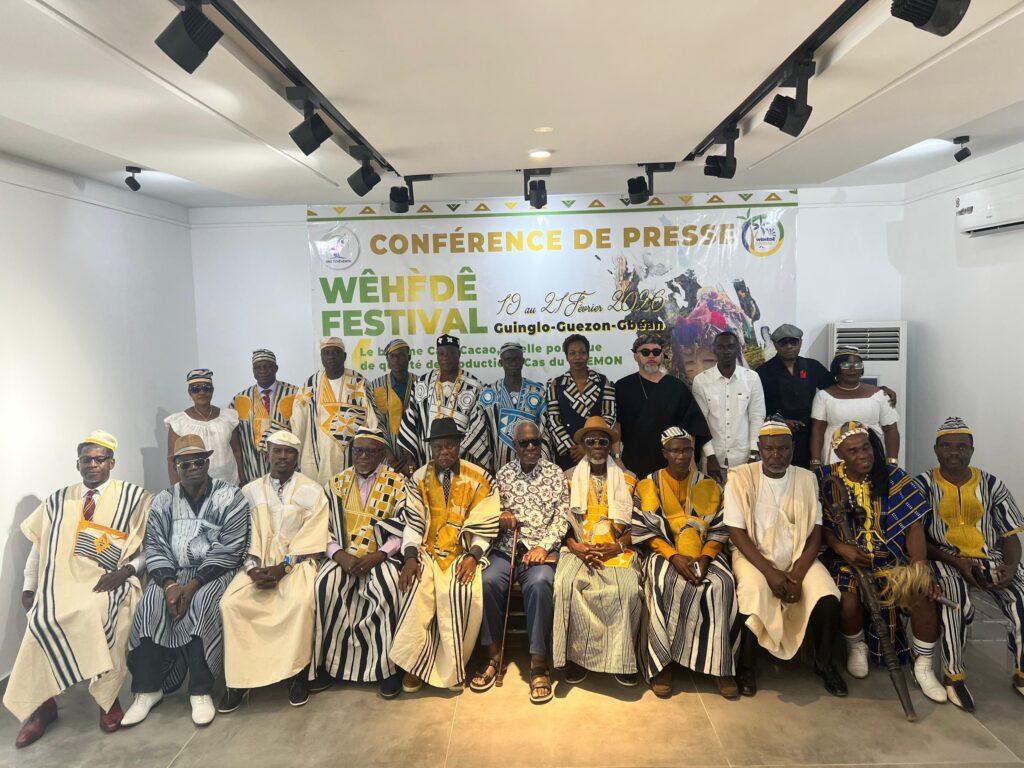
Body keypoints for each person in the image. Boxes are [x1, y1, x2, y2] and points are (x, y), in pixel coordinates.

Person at [5, 431, 152, 747]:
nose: (93, 465)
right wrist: (30, 587)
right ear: (78, 464)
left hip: (108, 582)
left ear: (112, 463)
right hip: (61, 584)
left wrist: (125, 572)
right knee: (39, 621)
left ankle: (107, 699)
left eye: (100, 459)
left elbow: (148, 548)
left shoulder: (134, 498)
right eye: (87, 459)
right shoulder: (57, 501)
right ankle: (43, 706)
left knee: (95, 614)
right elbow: (39, 548)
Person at [122, 435, 250, 727]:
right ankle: (147, 690)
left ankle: (200, 690)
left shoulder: (231, 496)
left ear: (208, 463)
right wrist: (169, 585)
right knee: (150, 605)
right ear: (175, 467)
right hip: (172, 574)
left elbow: (231, 548)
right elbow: (155, 546)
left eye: (199, 462)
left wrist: (192, 586)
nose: (193, 468)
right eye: (185, 464)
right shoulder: (163, 500)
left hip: (214, 572)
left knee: (203, 604)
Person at [816, 421, 945, 702]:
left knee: (922, 595)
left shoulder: (893, 477)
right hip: (847, 562)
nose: (863, 455)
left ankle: (923, 667)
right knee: (847, 600)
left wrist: (919, 567)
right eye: (853, 451)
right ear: (839, 454)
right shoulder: (825, 478)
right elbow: (819, 524)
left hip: (892, 561)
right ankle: (856, 647)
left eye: (866, 447)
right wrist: (840, 547)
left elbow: (913, 527)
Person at [724, 420, 847, 697]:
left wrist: (799, 572)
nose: (776, 455)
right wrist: (769, 572)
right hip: (753, 556)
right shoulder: (740, 477)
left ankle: (824, 664)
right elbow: (736, 531)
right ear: (759, 449)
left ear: (793, 448)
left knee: (827, 596)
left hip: (798, 557)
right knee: (753, 591)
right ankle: (746, 667)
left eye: (782, 448)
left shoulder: (806, 479)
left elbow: (816, 530)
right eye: (769, 449)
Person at [915, 417, 1024, 710]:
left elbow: (1011, 535)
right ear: (936, 450)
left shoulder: (992, 484)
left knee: (1022, 597)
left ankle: (1022, 674)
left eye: (962, 447)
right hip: (945, 559)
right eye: (947, 446)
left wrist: (1012, 567)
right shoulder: (922, 485)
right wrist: (957, 562)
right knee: (956, 603)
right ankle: (954, 677)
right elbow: (917, 539)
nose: (954, 452)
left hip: (992, 558)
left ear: (972, 450)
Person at [218, 430, 329, 712]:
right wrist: (252, 569)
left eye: (289, 452)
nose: (282, 457)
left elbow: (314, 537)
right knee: (231, 603)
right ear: (267, 454)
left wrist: (284, 566)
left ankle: (296, 675)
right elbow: (241, 535)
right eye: (277, 451)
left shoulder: (313, 490)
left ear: (297, 456)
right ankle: (240, 681)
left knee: (299, 602)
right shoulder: (249, 491)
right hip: (257, 564)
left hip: (296, 564)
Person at [389, 418, 500, 692]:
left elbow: (485, 520)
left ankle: (453, 668)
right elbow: (413, 521)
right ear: (431, 448)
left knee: (460, 592)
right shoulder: (418, 479)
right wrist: (410, 557)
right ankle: (414, 665)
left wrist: (473, 556)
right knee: (416, 589)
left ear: (459, 445)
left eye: (450, 445)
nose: (444, 452)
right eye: (438, 447)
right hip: (427, 551)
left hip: (463, 552)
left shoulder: (480, 478)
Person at [632, 427, 738, 698]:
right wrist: (673, 556)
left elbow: (720, 529)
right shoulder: (648, 484)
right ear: (664, 453)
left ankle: (720, 666)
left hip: (704, 553)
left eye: (687, 450)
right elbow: (644, 532)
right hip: (663, 552)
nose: (682, 456)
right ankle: (663, 664)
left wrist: (706, 557)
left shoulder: (709, 484)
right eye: (675, 451)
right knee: (662, 581)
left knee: (722, 583)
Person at [470, 420, 567, 704]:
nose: (531, 447)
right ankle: (493, 655)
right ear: (515, 446)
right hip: (506, 549)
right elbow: (490, 510)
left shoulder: (555, 473)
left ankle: (538, 661)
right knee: (486, 581)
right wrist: (501, 517)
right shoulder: (503, 474)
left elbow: (562, 517)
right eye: (525, 443)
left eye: (536, 441)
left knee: (540, 583)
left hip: (540, 550)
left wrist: (543, 546)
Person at [309, 426, 408, 699]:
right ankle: (331, 666)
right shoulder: (336, 484)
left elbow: (404, 527)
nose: (363, 456)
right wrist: (339, 555)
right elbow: (321, 527)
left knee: (389, 586)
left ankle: (386, 669)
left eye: (370, 452)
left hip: (382, 557)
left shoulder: (398, 483)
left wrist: (380, 554)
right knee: (324, 585)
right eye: (358, 451)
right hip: (344, 556)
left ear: (382, 454)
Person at [553, 416, 642, 687]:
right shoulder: (567, 478)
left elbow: (641, 525)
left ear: (610, 445)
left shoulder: (629, 479)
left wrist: (617, 545)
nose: (597, 446)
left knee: (628, 590)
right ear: (582, 445)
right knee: (565, 584)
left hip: (617, 549)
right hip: (578, 548)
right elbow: (559, 521)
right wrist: (574, 545)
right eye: (591, 441)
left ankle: (622, 660)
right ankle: (576, 659)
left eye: (603, 441)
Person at [616, 333, 708, 479]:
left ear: (662, 355)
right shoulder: (622, 387)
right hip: (632, 465)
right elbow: (616, 426)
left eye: (656, 352)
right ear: (636, 356)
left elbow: (691, 426)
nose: (651, 356)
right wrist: (617, 459)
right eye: (645, 352)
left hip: (672, 464)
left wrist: (690, 462)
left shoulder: (676, 387)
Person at [397, 334, 493, 474]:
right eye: (441, 354)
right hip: (428, 457)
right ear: (436, 356)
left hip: (463, 458)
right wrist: (409, 456)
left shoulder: (475, 386)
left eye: (451, 353)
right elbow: (411, 419)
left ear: (459, 354)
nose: (445, 358)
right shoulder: (422, 383)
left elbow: (479, 426)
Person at [291, 337, 378, 485]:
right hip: (317, 455)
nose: (331, 356)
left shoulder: (358, 382)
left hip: (352, 457)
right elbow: (298, 423)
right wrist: (294, 451)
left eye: (336, 352)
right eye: (326, 353)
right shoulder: (311, 385)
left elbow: (372, 420)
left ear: (344, 356)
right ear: (321, 357)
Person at [692, 330, 766, 483]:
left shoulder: (752, 378)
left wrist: (754, 453)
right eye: (721, 347)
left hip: (744, 459)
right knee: (712, 498)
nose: (726, 351)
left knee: (745, 498)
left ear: (738, 348)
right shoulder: (701, 381)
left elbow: (757, 416)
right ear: (714, 350)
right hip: (713, 460)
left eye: (731, 346)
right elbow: (700, 422)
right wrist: (710, 456)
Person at [755, 325, 833, 469]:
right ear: (775, 345)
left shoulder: (812, 366)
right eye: (783, 343)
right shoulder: (762, 372)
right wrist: (780, 421)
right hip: (776, 436)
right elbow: (756, 408)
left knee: (808, 476)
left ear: (800, 343)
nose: (789, 346)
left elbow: (834, 389)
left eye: (793, 342)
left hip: (809, 436)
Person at [809, 346, 899, 466]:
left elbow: (891, 429)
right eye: (845, 365)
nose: (852, 369)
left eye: (857, 365)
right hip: (836, 457)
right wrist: (815, 461)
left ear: (862, 369)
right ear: (837, 368)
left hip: (872, 454)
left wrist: (892, 461)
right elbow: (817, 431)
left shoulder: (880, 394)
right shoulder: (823, 396)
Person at [544, 334, 617, 470]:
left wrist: (587, 446)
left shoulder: (603, 381)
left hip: (597, 448)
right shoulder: (555, 384)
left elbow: (609, 415)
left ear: (588, 355)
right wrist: (573, 448)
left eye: (582, 353)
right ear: (566, 357)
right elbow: (553, 420)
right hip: (570, 454)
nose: (577, 357)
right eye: (572, 353)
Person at [230, 349, 298, 484]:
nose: (263, 371)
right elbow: (235, 443)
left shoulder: (294, 394)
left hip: (289, 469)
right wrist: (241, 476)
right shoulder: (240, 400)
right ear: (253, 370)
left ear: (276, 368)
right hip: (253, 471)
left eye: (268, 366)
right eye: (258, 367)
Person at [166, 368, 243, 485]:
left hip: (229, 482)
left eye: (206, 388)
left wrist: (242, 480)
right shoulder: (178, 422)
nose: (202, 392)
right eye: (196, 389)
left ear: (212, 390)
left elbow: (237, 451)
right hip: (194, 487)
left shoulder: (228, 417)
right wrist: (176, 490)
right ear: (189, 392)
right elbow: (173, 462)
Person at [479, 342, 547, 469]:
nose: (513, 363)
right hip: (499, 464)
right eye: (508, 359)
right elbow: (481, 430)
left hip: (533, 462)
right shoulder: (488, 393)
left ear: (523, 361)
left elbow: (544, 430)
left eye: (517, 359)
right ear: (501, 362)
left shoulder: (538, 392)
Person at [367, 339, 418, 465]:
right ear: (387, 360)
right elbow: (374, 421)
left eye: (401, 355)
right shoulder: (375, 386)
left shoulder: (420, 384)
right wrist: (387, 454)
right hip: (385, 453)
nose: (397, 360)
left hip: (415, 453)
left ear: (409, 358)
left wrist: (410, 452)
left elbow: (423, 421)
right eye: (392, 356)